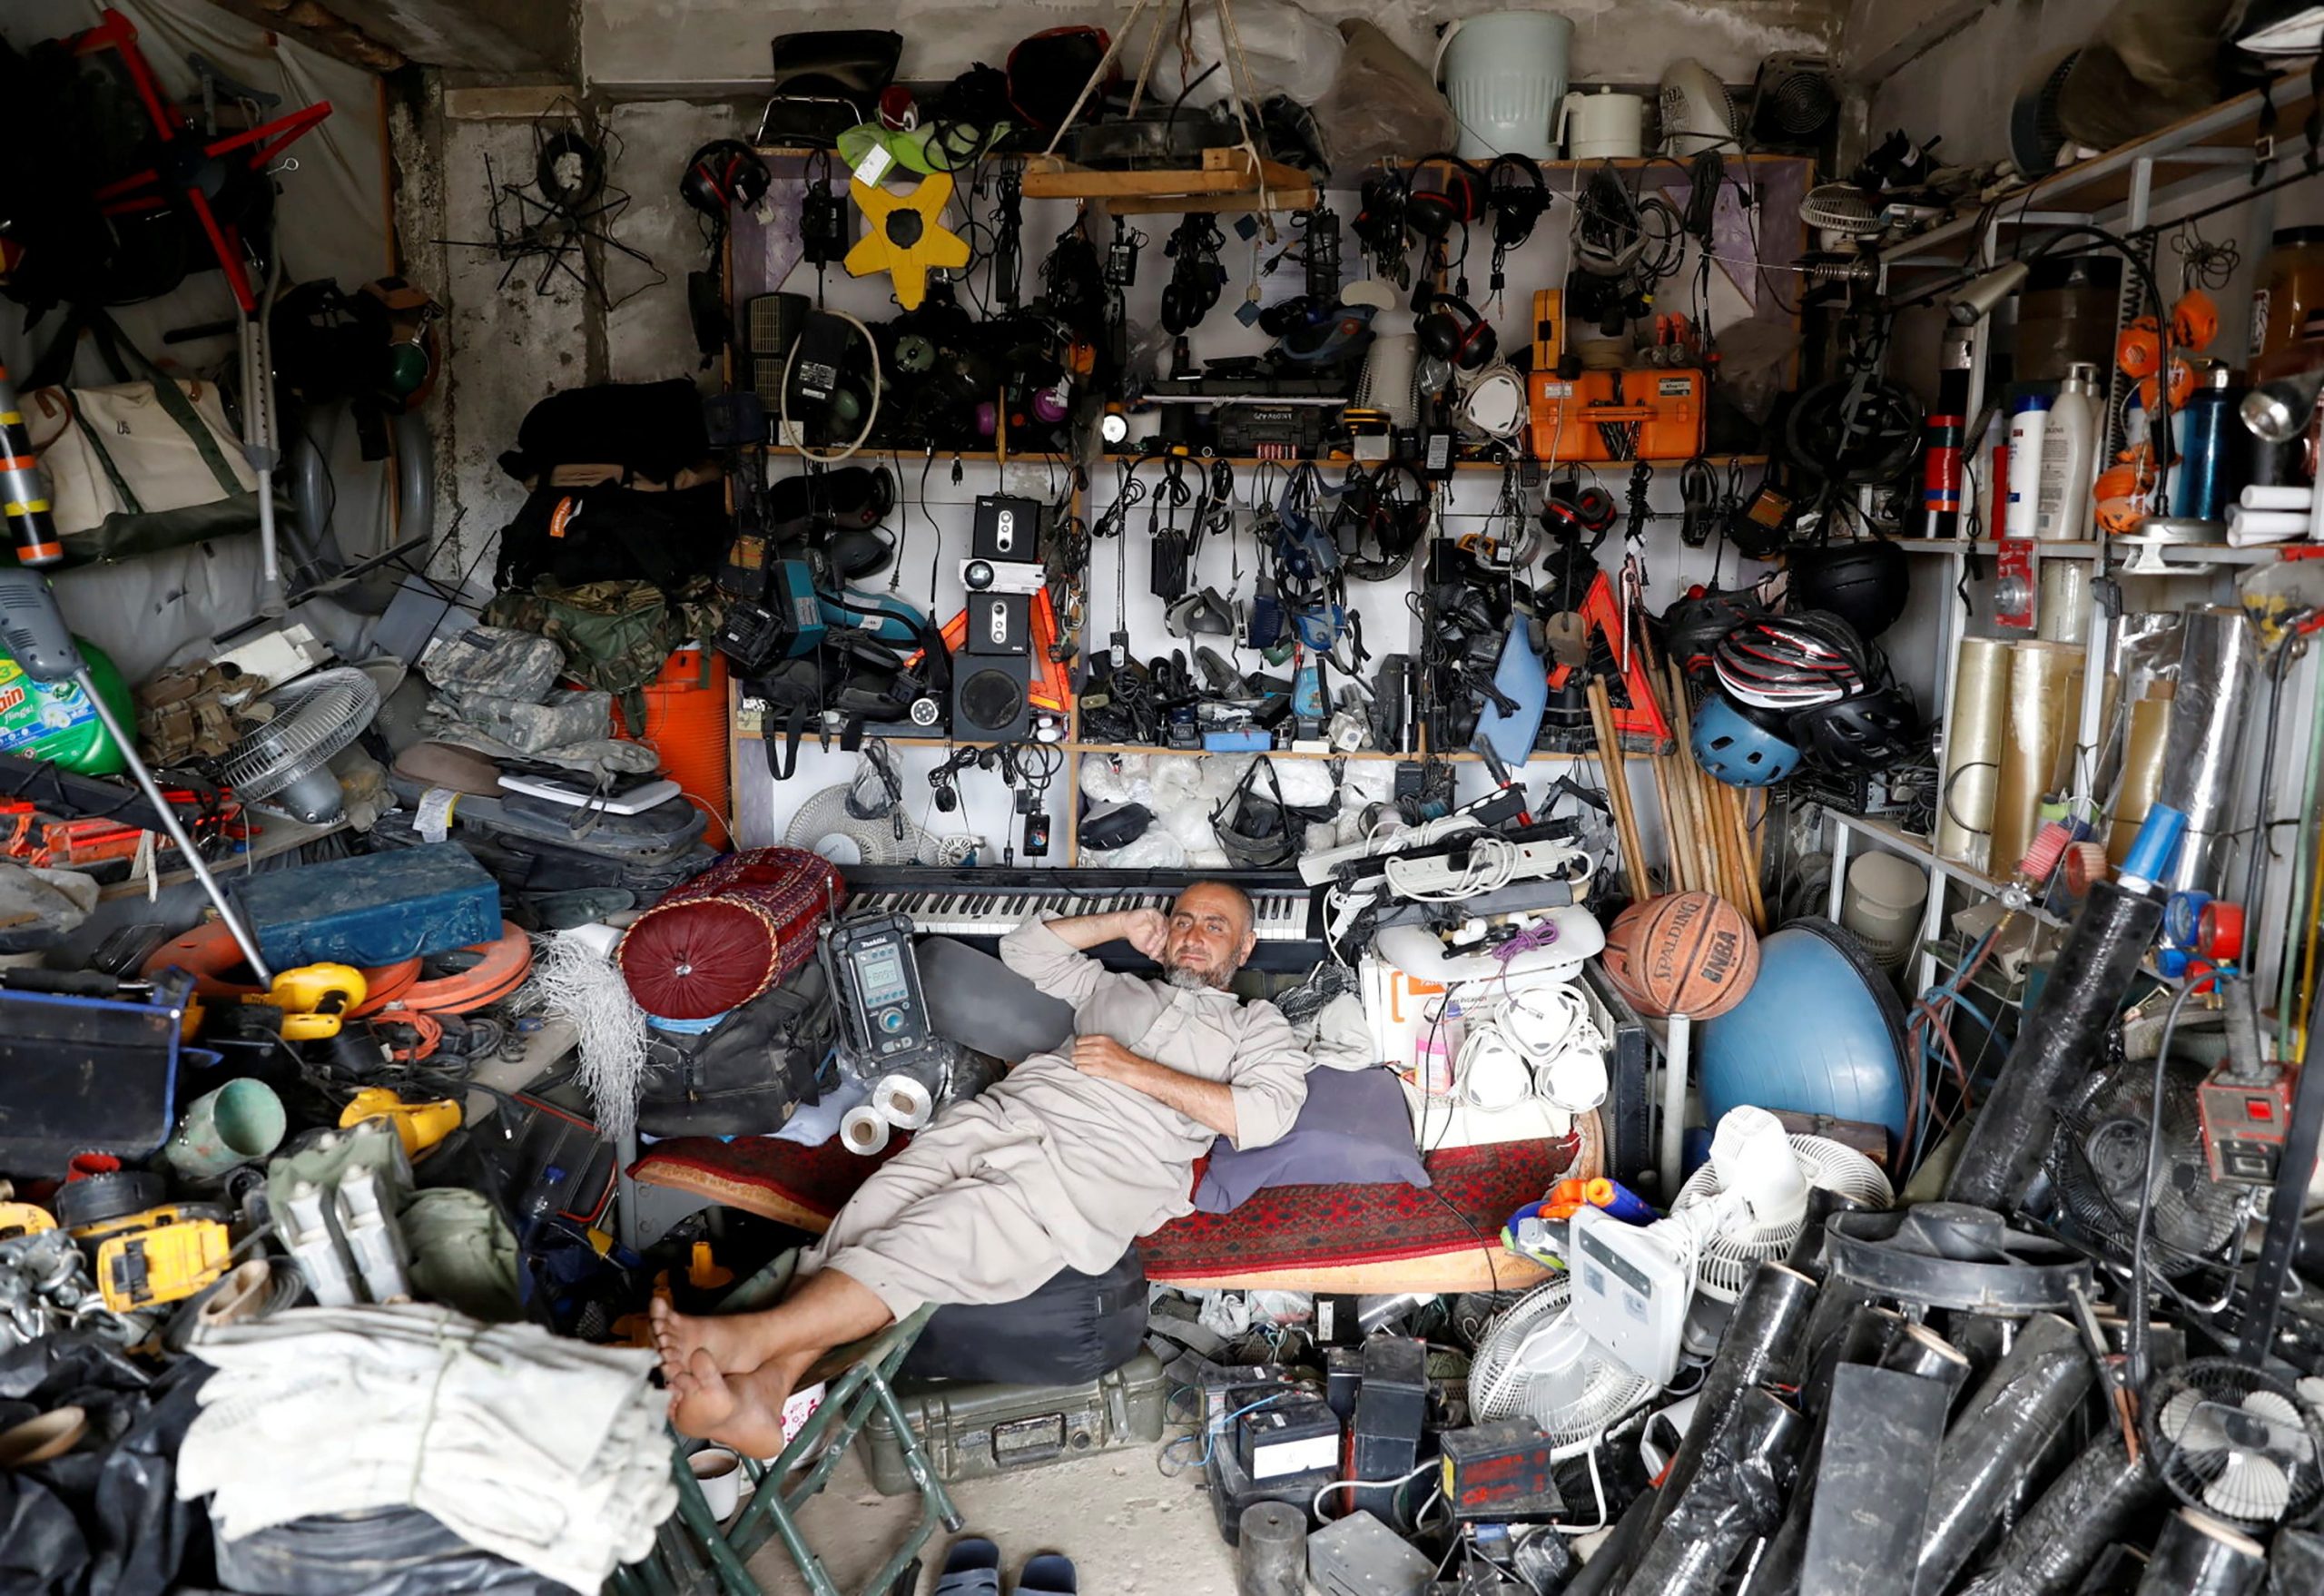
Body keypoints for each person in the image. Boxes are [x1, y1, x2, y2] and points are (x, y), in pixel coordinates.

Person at [651, 880, 1312, 1454]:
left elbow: (1266, 1116)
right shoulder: (1114, 988)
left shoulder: (1256, 1027)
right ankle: (767, 1394)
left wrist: (1133, 1068)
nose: (1194, 936)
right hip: (999, 1118)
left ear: (1245, 948)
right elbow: (1028, 948)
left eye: (1215, 927)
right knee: (867, 1219)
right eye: (1184, 922)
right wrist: (1119, 924)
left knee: (935, 1234)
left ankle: (747, 1341)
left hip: (1091, 1166)